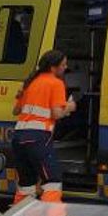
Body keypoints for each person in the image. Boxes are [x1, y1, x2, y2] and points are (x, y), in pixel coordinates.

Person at [11, 50, 75, 205]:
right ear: (53, 67)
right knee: (52, 181)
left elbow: (15, 111)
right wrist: (70, 106)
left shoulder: (30, 81)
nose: (65, 67)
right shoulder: (56, 83)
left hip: (18, 137)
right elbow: (56, 113)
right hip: (38, 137)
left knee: (26, 184)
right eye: (63, 65)